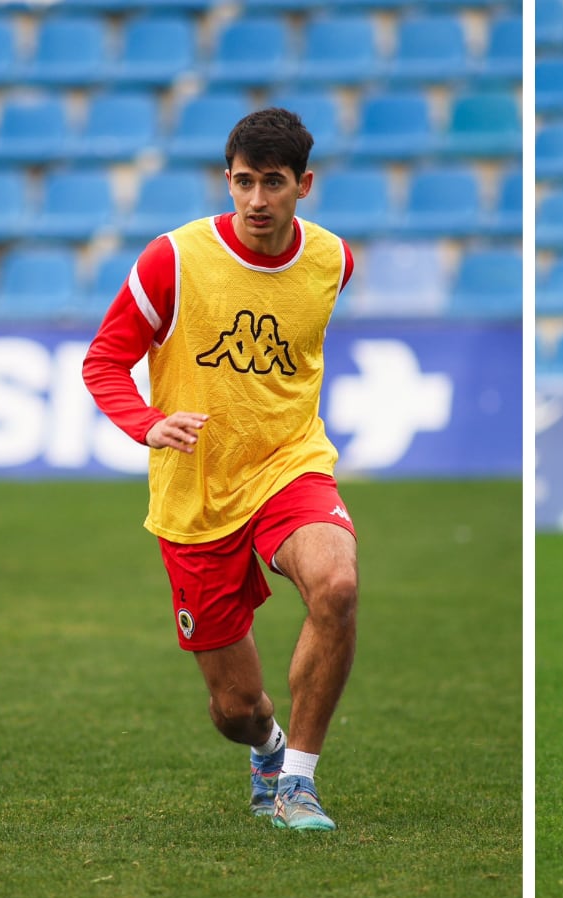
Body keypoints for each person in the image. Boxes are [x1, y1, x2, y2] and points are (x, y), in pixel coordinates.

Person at [83, 107, 357, 831]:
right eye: (243, 182)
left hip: (288, 465)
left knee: (337, 585)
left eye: (273, 183)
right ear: (226, 180)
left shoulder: (333, 260)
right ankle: (267, 747)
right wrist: (148, 423)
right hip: (196, 494)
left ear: (305, 183)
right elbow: (104, 360)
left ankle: (298, 780)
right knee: (235, 709)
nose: (257, 200)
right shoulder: (172, 259)